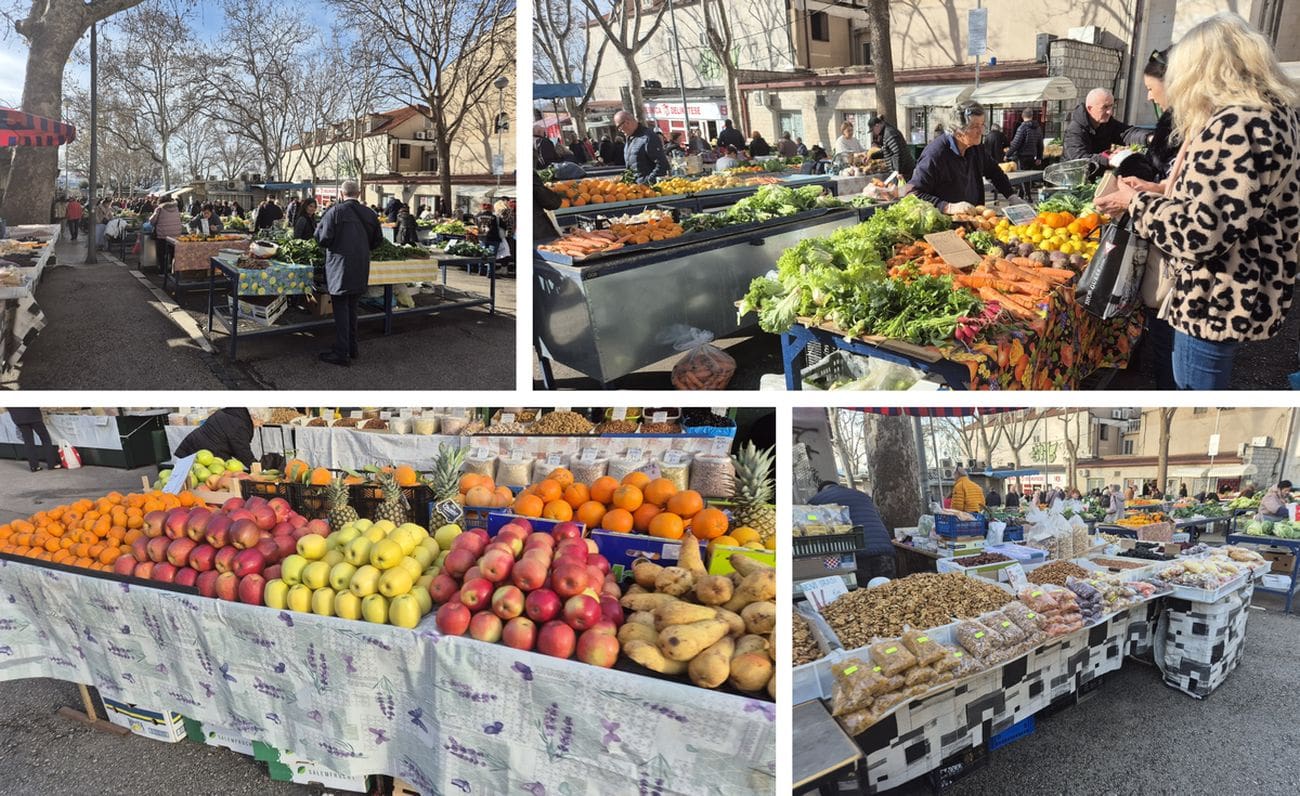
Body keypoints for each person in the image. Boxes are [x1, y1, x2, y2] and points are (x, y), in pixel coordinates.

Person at [1094, 13, 1300, 390]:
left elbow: (1200, 231)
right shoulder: (1276, 114)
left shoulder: (1236, 122)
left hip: (1213, 296)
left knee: (1194, 389)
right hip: (1241, 284)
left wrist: (1134, 203)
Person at [314, 180, 380, 367]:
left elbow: (322, 238)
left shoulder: (334, 212)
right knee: (352, 309)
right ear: (358, 193)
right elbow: (377, 241)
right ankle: (352, 348)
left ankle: (342, 353)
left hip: (340, 267)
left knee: (342, 310)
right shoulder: (370, 213)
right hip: (360, 266)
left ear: (342, 194)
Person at [908, 102, 1015, 214]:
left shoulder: (976, 147)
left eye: (982, 125)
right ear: (958, 132)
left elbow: (994, 172)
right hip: (946, 225)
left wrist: (1011, 195)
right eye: (974, 127)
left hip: (974, 219)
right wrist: (946, 207)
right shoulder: (935, 155)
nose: (981, 132)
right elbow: (913, 193)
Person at [808, 481, 897, 580]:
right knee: (889, 589)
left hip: (855, 553)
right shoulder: (862, 495)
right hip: (884, 547)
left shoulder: (817, 499)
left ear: (821, 491)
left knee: (863, 592)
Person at [1063, 87, 1148, 162]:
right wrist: (1110, 159)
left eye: (1111, 106)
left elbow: (1127, 133)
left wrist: (1148, 138)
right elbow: (1080, 161)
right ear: (1090, 108)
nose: (1110, 112)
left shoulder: (1107, 123)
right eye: (1105, 107)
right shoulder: (1074, 131)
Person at [174, 408, 256, 466]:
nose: (260, 425)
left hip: (194, 445)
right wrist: (258, 469)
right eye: (260, 421)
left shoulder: (231, 413)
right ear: (253, 417)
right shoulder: (239, 426)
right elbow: (242, 451)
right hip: (205, 452)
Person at [615, 110, 671, 184]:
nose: (620, 130)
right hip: (635, 189)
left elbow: (663, 165)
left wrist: (647, 182)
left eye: (619, 127)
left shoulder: (648, 137)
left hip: (648, 190)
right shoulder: (630, 138)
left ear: (627, 122)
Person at [864, 113, 915, 179]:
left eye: (873, 130)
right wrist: (871, 156)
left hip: (903, 171)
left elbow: (897, 152)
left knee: (901, 189)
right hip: (901, 170)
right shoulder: (886, 132)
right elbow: (886, 151)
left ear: (877, 125)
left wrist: (898, 171)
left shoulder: (889, 133)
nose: (874, 133)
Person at [8, 408, 60, 472]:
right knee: (45, 438)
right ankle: (52, 464)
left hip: (19, 418)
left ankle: (34, 466)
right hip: (33, 416)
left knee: (28, 442)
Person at [1006, 108, 1045, 173]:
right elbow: (1040, 144)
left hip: (1022, 157)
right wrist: (1039, 157)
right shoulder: (1038, 128)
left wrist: (1007, 154)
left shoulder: (1022, 128)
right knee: (1029, 176)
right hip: (1032, 156)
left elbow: (1016, 144)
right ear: (1032, 116)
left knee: (1022, 178)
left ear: (1022, 116)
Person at [147, 198, 182, 271]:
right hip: (176, 235)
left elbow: (152, 221)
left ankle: (163, 270)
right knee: (173, 253)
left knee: (161, 253)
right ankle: (172, 269)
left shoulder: (159, 209)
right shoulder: (176, 208)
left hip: (163, 235)